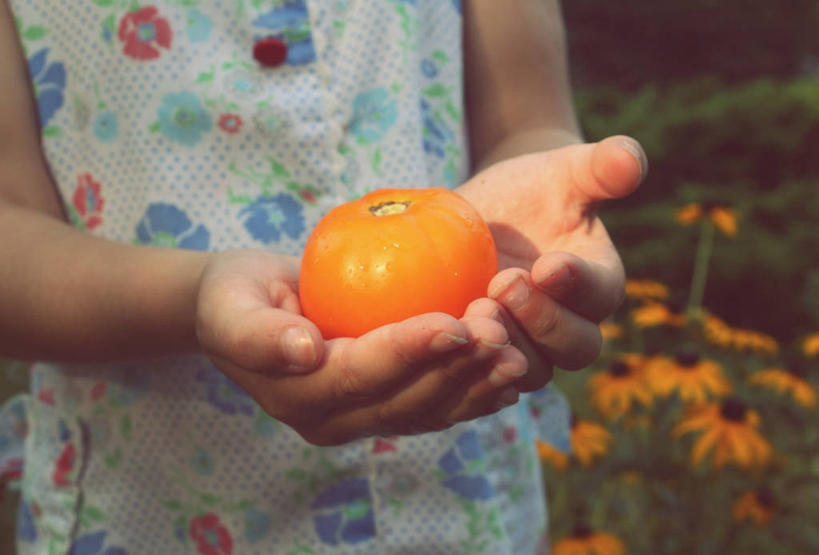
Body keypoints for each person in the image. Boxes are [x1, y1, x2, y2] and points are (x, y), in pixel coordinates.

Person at [0, 0, 645, 553]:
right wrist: (194, 296)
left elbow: (525, 116)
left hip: (463, 501)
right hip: (150, 507)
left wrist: (539, 201)